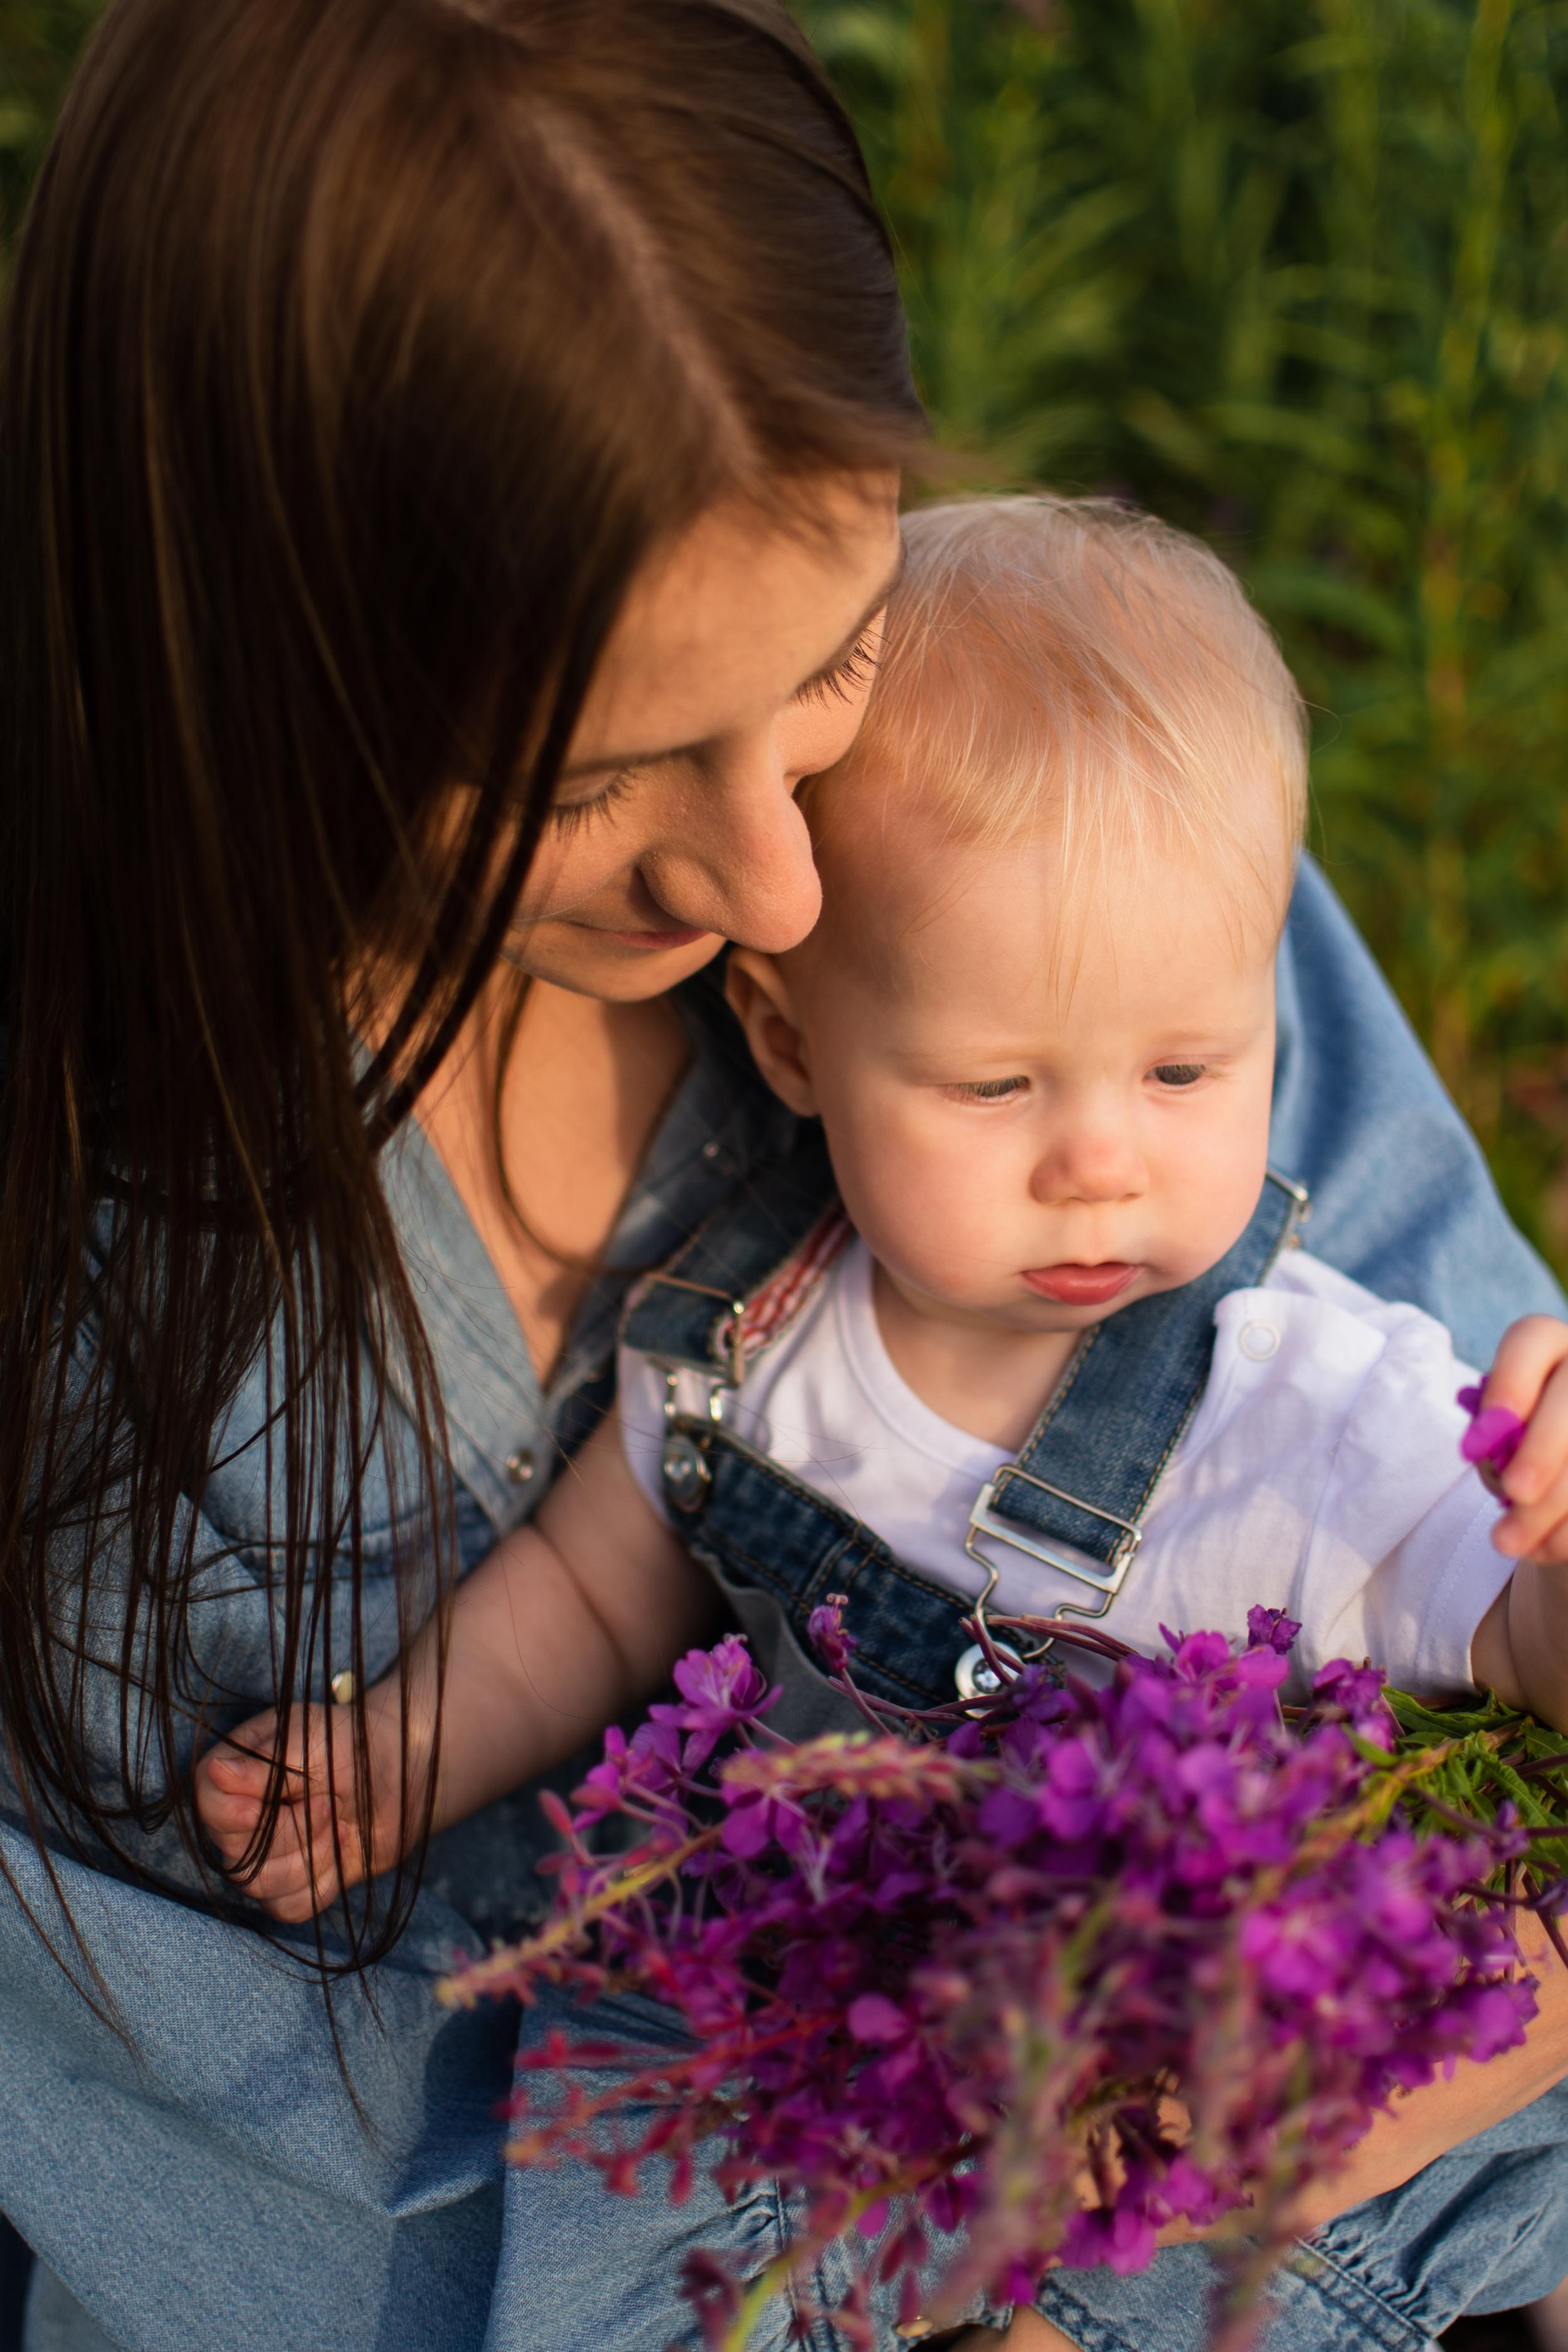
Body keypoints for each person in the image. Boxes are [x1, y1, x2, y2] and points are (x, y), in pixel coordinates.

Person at [1, 4, 1565, 2350]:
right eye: (589, 776)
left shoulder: (1037, 789)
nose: (775, 882)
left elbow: (1509, 1697)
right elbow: (368, 2256)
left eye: (825, 656)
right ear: (249, 665)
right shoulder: (114, 1328)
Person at [194, 494, 1568, 1935]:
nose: (1099, 1165)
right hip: (799, 2044)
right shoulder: (745, 1344)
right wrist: (400, 1757)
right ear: (788, 1045)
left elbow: (1519, 1651)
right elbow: (585, 1602)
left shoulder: (1325, 1414)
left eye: (1182, 1071)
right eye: (993, 1086)